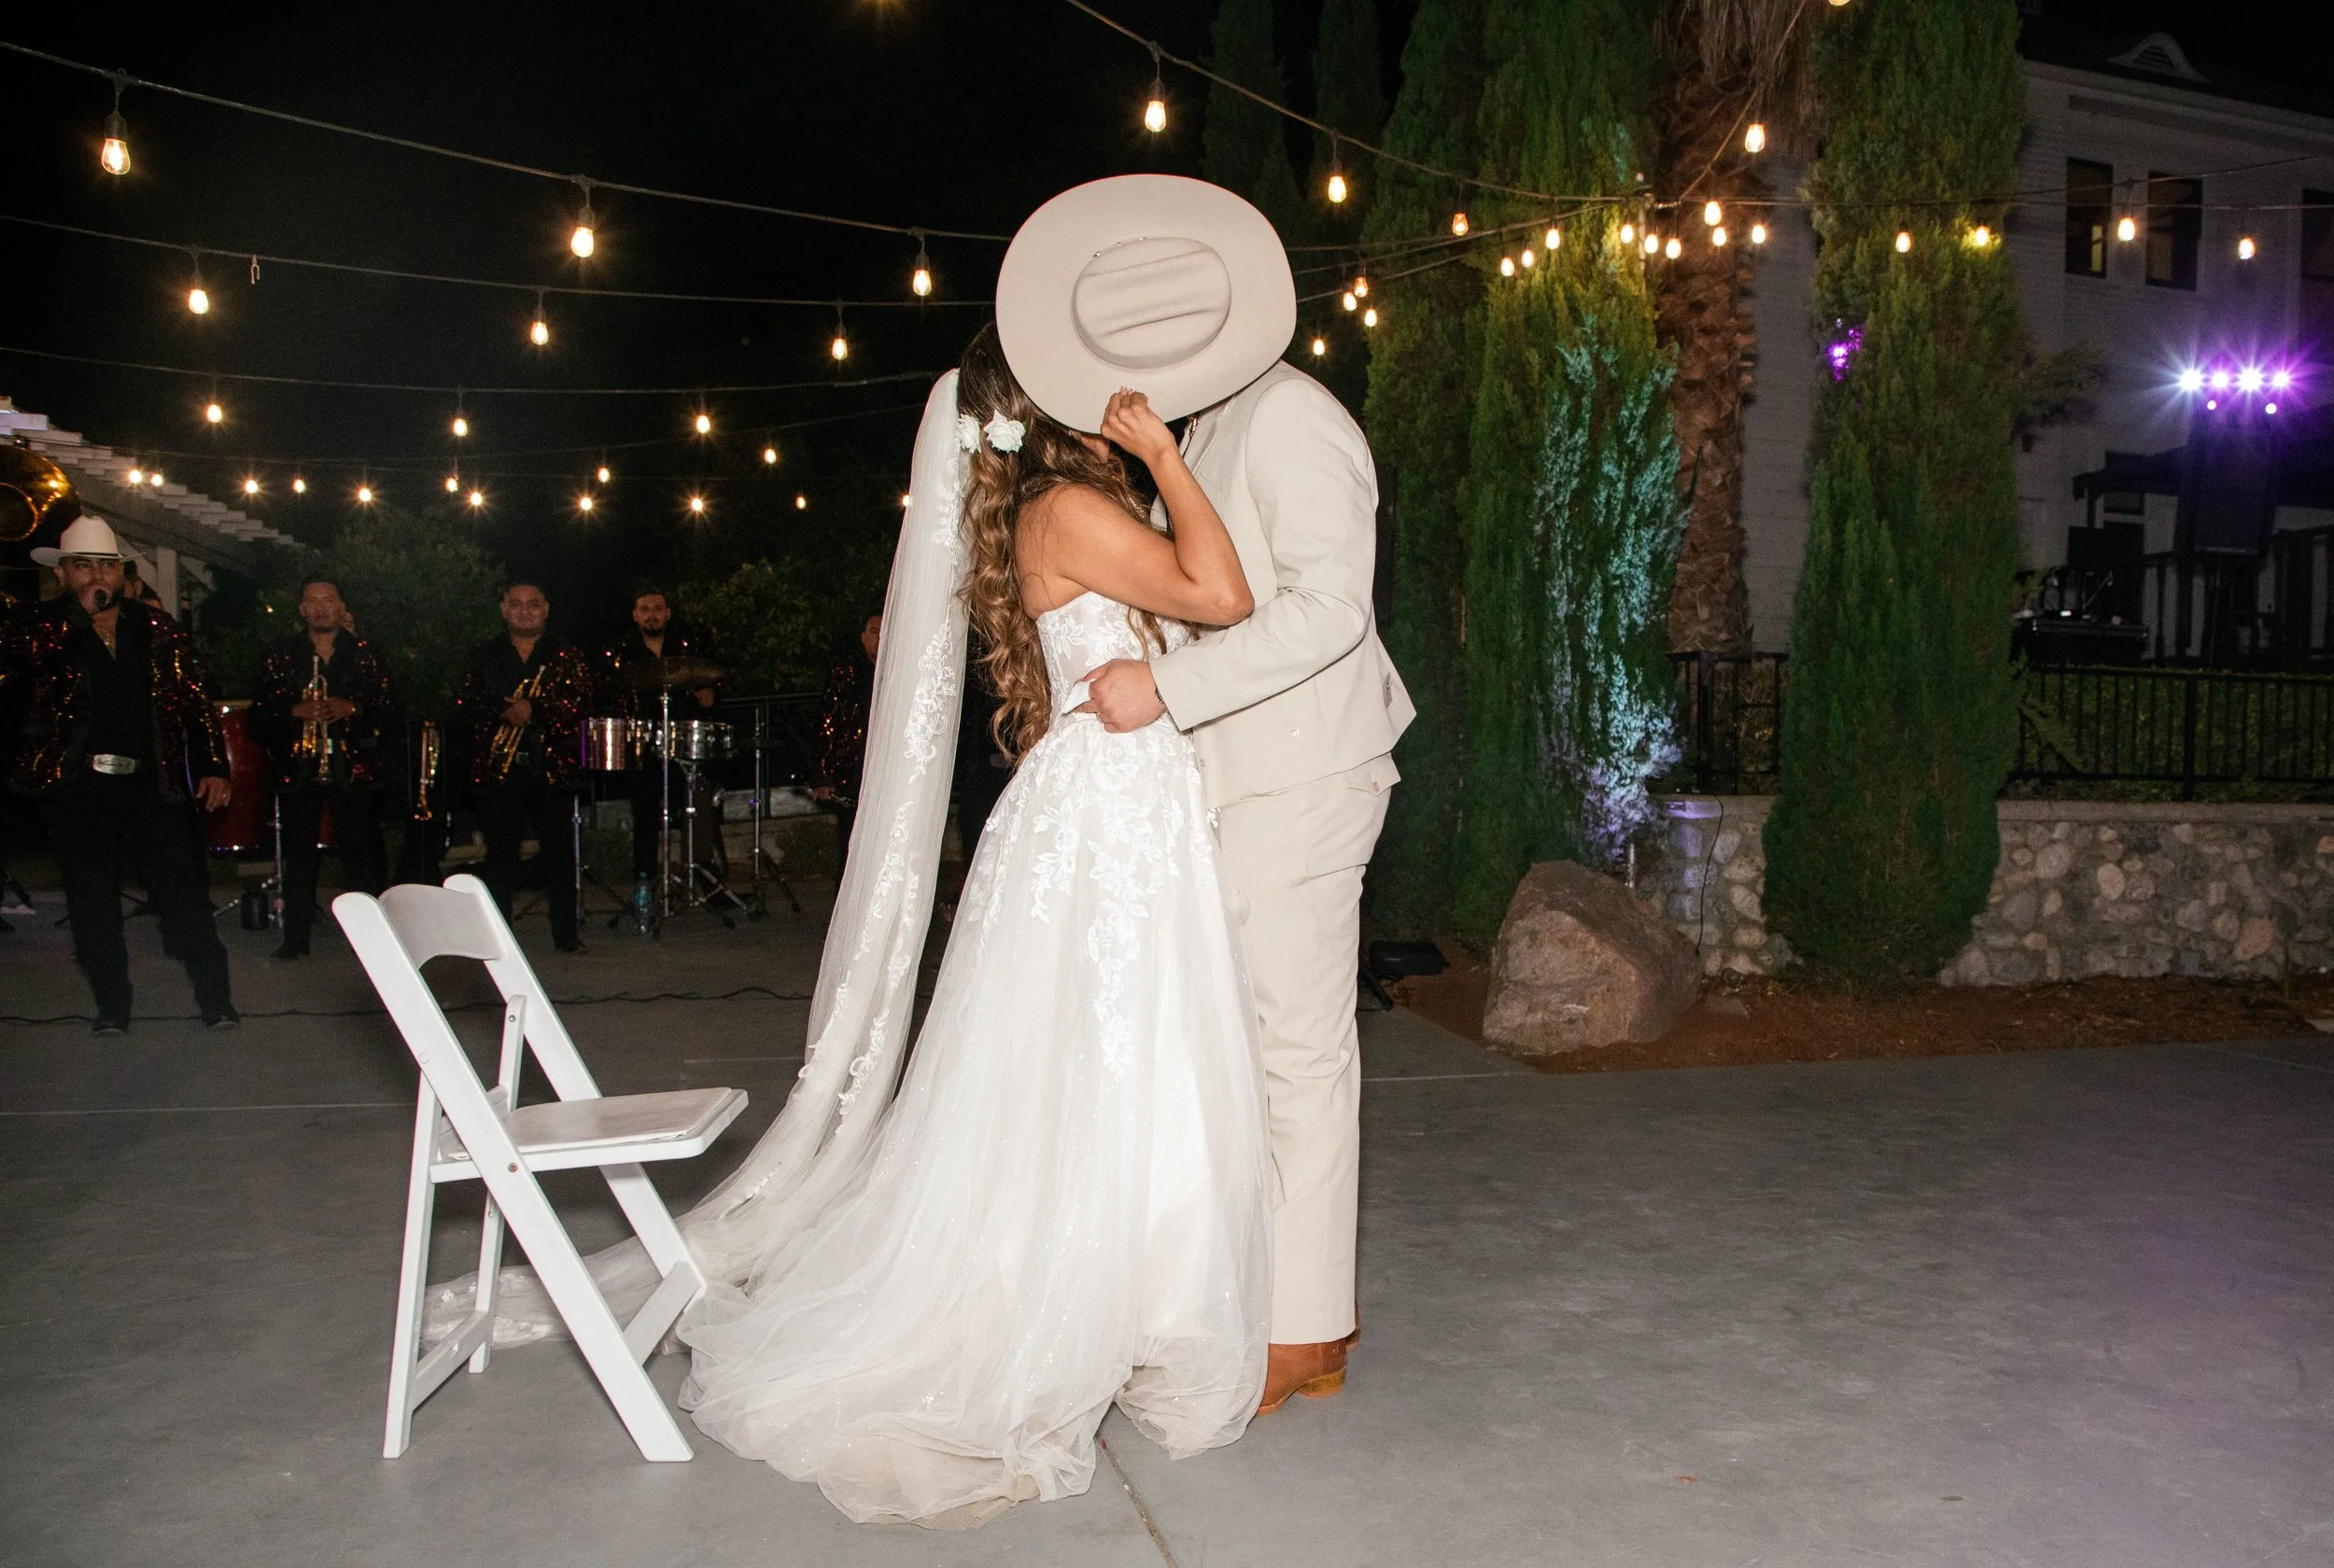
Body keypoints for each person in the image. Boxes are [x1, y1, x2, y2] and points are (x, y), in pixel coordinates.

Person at [1012, 176, 1413, 1414]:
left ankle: (1305, 1333)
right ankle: (1262, 1303)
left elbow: (1329, 613)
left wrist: (1167, 695)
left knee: (1294, 1054)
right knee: (1243, 1053)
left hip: (1301, 770)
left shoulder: (1292, 417)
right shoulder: (1199, 432)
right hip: (1236, 783)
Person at [12, 514, 239, 1031]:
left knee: (183, 895)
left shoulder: (157, 628)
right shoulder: (43, 630)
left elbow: (195, 703)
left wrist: (211, 767)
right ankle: (112, 1006)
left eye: (106, 567)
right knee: (92, 904)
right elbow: (24, 678)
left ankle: (216, 999)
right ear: (64, 574)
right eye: (84, 566)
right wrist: (77, 621)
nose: (97, 577)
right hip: (78, 789)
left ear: (122, 573)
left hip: (148, 785)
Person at [250, 578, 395, 959]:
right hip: (299, 768)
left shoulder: (367, 653)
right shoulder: (279, 654)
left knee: (358, 856)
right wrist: (293, 711)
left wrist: (354, 709)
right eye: (311, 600)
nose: (319, 607)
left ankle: (371, 941)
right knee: (299, 858)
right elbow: (259, 714)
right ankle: (295, 938)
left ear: (340, 606)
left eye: (327, 600)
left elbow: (392, 709)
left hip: (353, 768)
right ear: (301, 609)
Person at [454, 581, 592, 953]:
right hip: (501, 769)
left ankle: (565, 934)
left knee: (560, 855)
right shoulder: (484, 655)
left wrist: (536, 709)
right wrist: (506, 712)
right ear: (503, 609)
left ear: (546, 609)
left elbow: (580, 702)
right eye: (516, 605)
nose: (525, 611)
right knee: (500, 857)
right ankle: (499, 939)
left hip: (553, 769)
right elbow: (465, 704)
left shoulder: (566, 655)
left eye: (533, 605)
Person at [598, 587, 718, 907]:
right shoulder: (623, 652)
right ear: (635, 615)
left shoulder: (685, 649)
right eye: (645, 609)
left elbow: (709, 688)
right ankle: (644, 884)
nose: (652, 614)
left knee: (697, 811)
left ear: (667, 613)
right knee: (645, 818)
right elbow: (609, 691)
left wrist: (706, 695)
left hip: (681, 746)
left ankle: (703, 880)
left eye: (658, 608)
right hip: (643, 748)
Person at [811, 612, 878, 872]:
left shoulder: (899, 671)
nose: (880, 638)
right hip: (852, 774)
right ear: (862, 637)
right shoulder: (846, 673)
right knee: (851, 850)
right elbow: (827, 722)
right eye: (873, 631)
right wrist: (822, 776)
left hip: (885, 771)